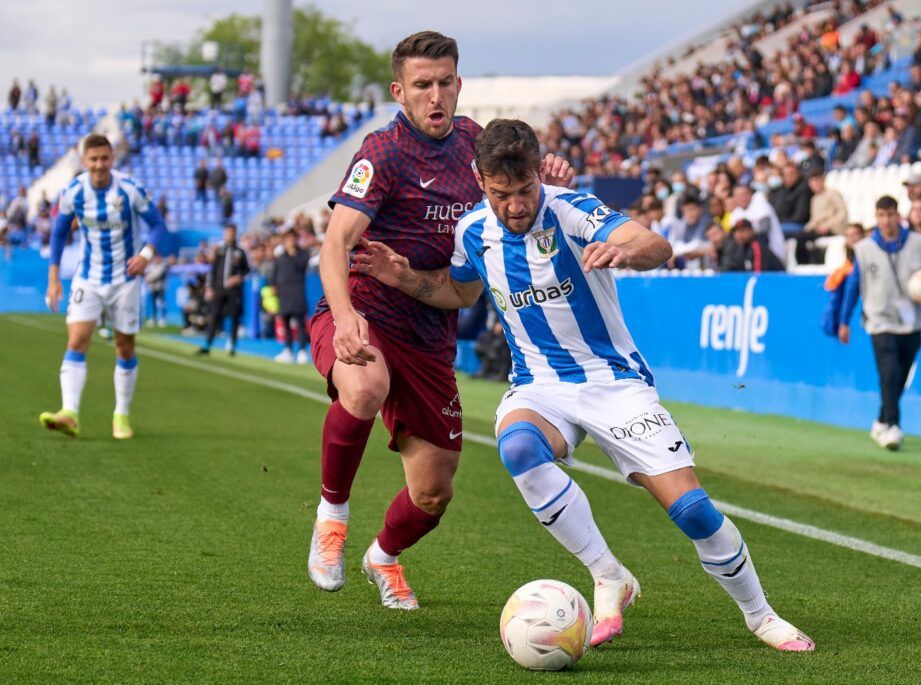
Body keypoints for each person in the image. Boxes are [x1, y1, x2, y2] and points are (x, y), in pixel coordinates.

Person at [352, 118, 816, 652]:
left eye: (526, 190)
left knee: (692, 511)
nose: (517, 206)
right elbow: (458, 291)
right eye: (503, 195)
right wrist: (404, 277)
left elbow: (655, 243)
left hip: (614, 382)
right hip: (539, 385)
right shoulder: (473, 231)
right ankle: (608, 573)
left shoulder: (572, 208)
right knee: (520, 448)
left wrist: (626, 251)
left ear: (538, 175)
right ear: (481, 182)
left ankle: (760, 616)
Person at [305, 31, 573, 610]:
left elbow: (520, 195)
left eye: (444, 83)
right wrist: (347, 318)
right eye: (422, 85)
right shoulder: (383, 152)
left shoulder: (476, 145)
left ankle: (383, 556)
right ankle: (331, 519)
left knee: (432, 493)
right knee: (366, 383)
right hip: (365, 311)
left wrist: (551, 172)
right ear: (399, 91)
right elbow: (334, 245)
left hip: (430, 332)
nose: (435, 96)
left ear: (459, 84)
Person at [39, 133, 167, 439]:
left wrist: (146, 255)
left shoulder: (129, 189)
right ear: (85, 161)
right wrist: (54, 278)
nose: (99, 165)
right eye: (93, 160)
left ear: (112, 159)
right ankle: (70, 412)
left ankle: (121, 415)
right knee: (77, 341)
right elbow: (58, 234)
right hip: (89, 277)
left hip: (125, 280)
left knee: (124, 346)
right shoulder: (73, 192)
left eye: (104, 159)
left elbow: (158, 225)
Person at [838, 196, 921, 450]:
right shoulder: (864, 248)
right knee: (889, 372)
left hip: (913, 319)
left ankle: (881, 420)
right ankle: (894, 426)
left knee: (901, 374)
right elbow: (853, 284)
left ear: (898, 215)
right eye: (882, 216)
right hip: (880, 319)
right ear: (876, 218)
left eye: (891, 215)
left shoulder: (918, 242)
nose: (887, 221)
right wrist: (844, 320)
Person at [196, 223, 249, 356]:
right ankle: (207, 344)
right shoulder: (218, 250)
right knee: (214, 316)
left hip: (233, 290)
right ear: (224, 234)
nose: (229, 235)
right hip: (219, 288)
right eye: (227, 232)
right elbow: (212, 270)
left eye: (232, 232)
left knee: (234, 317)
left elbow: (246, 270)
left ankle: (232, 346)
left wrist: (238, 278)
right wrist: (209, 287)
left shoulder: (240, 251)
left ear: (235, 233)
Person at [271, 230, 310, 364]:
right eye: (288, 239)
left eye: (293, 238)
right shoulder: (280, 257)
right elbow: (275, 274)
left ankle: (302, 351)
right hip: (284, 294)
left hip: (297, 292)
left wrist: (293, 253)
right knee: (285, 322)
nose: (290, 241)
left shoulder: (302, 254)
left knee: (300, 323)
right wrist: (274, 286)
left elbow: (302, 266)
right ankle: (288, 350)